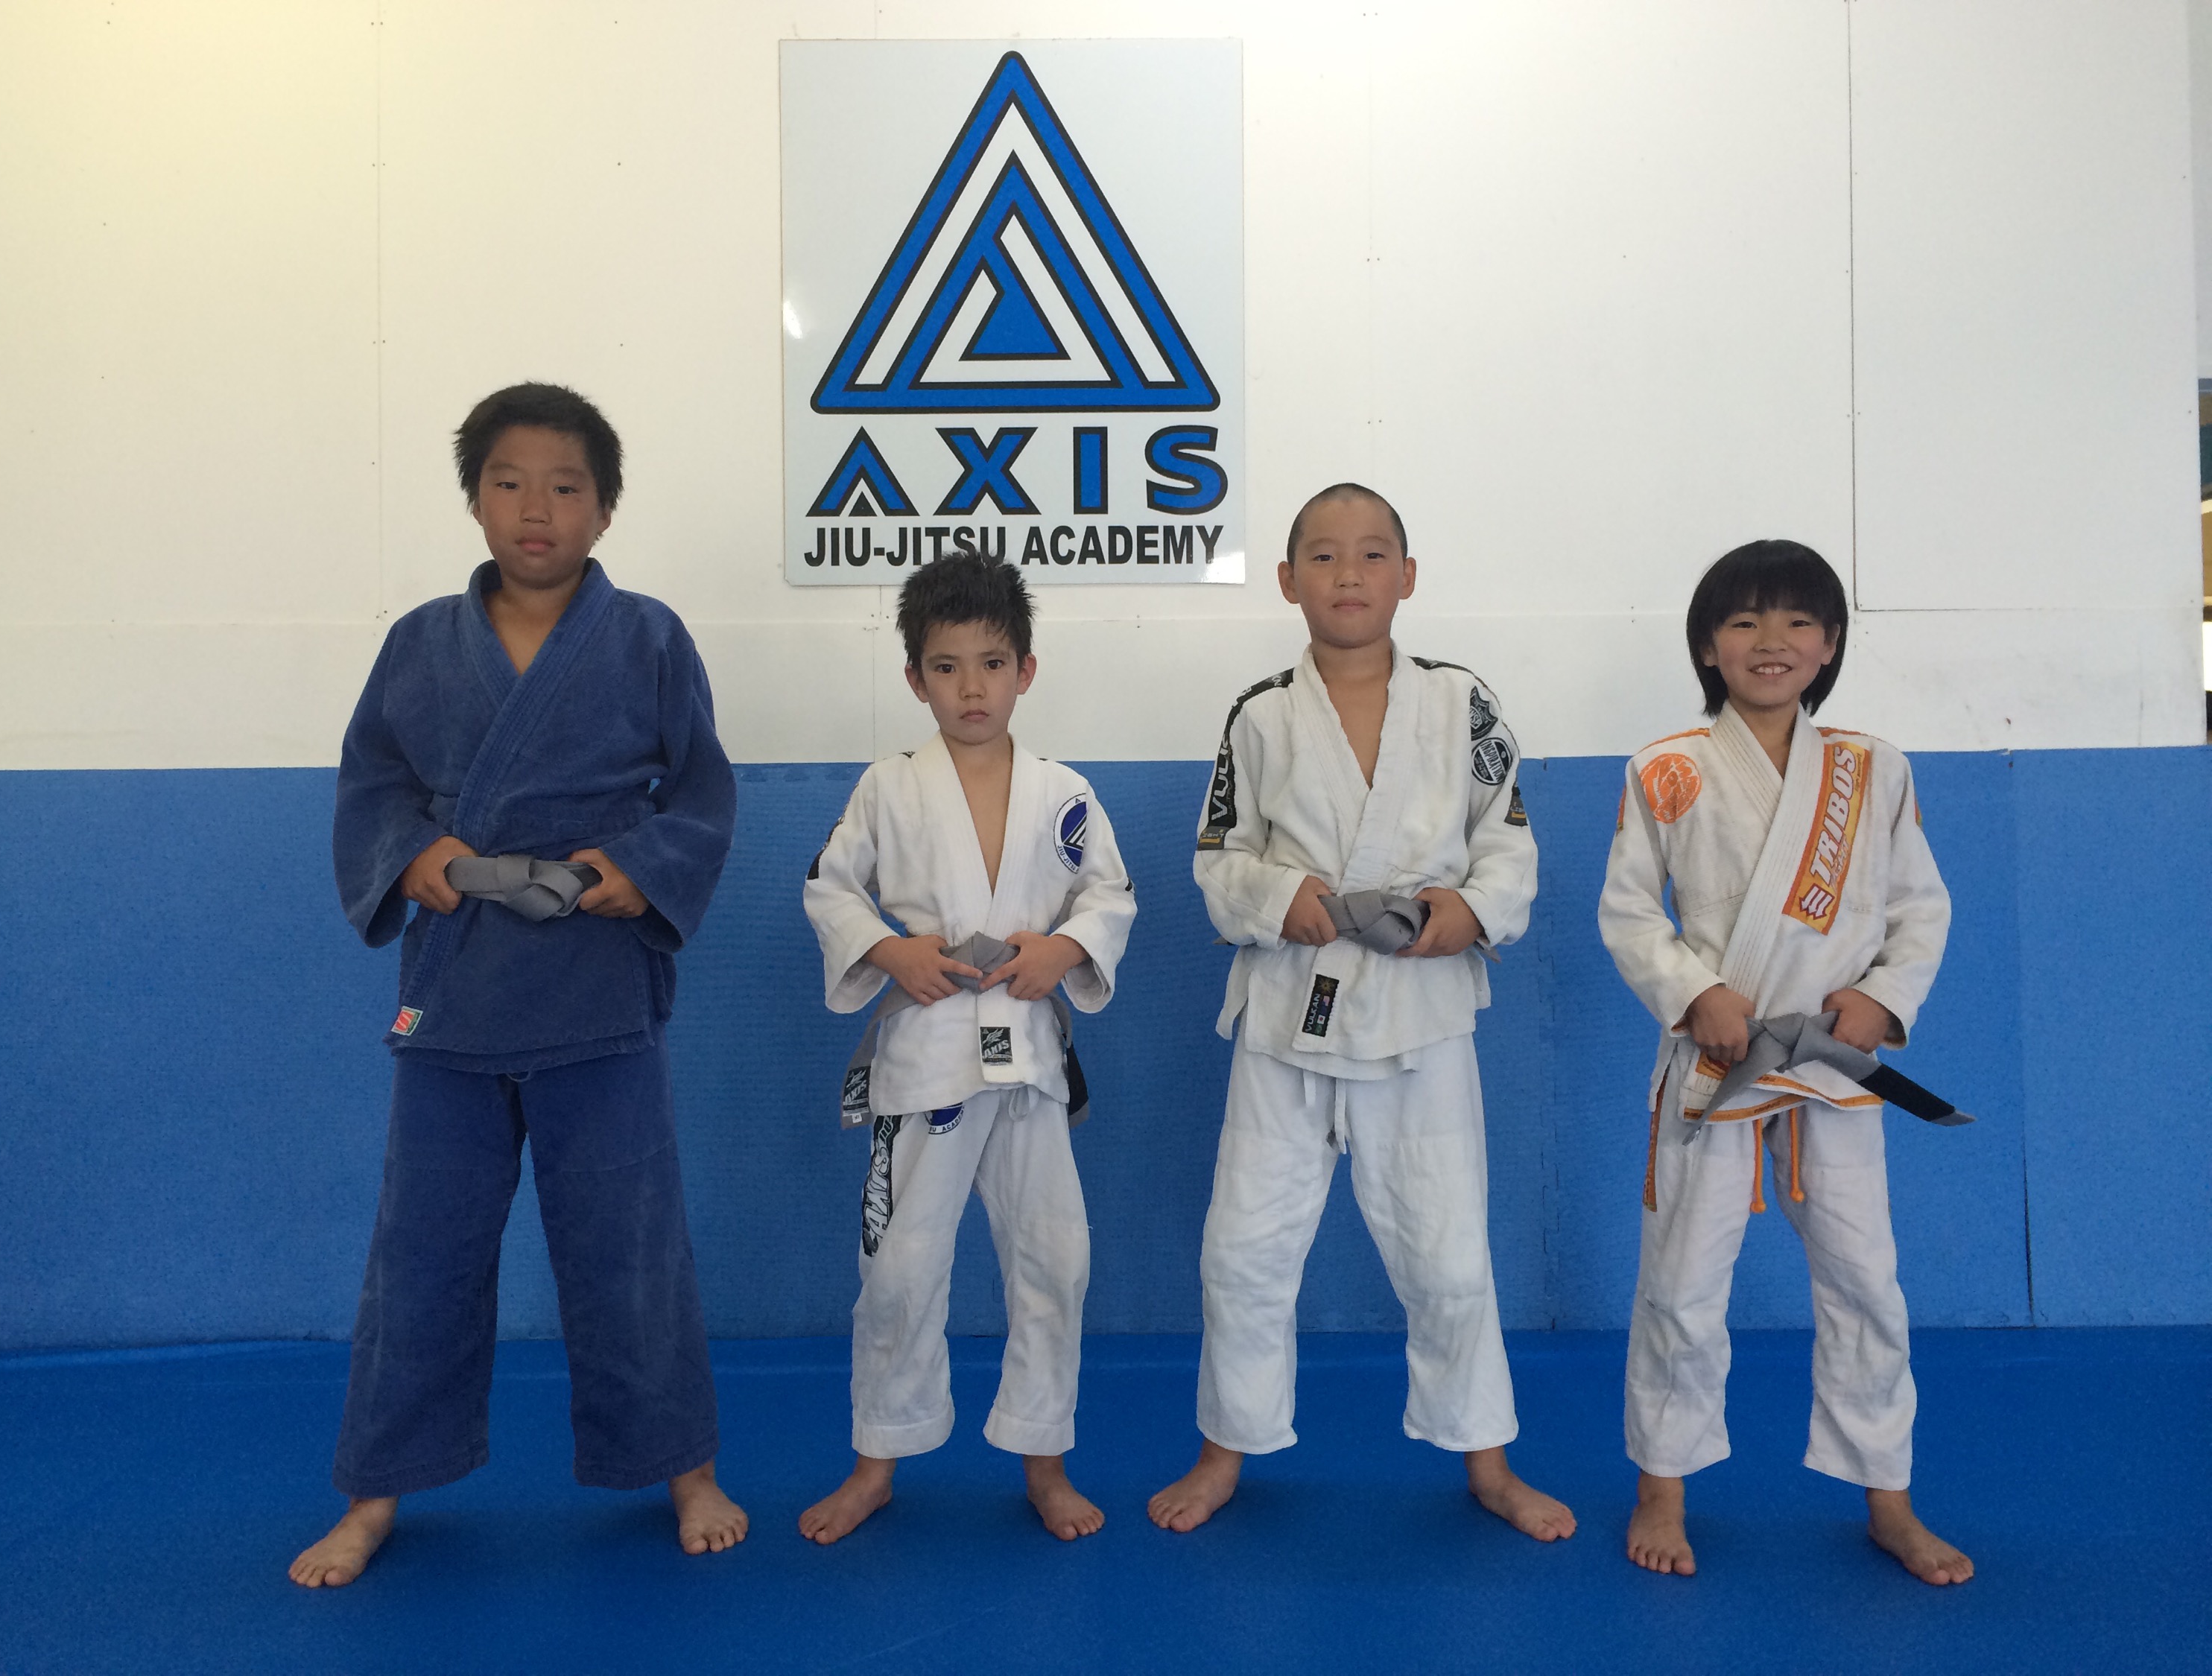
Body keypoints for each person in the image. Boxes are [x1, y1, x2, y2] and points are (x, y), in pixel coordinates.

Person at [291, 383, 743, 1588]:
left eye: (565, 486)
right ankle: (373, 1490)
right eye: (509, 482)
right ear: (475, 498)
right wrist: (415, 855)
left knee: (629, 1246)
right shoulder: (418, 643)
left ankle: (686, 1467)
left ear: (605, 509)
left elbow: (702, 795)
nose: (536, 507)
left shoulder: (649, 638)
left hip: (596, 984)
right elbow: (372, 786)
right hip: (456, 989)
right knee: (420, 1251)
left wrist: (637, 868)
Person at [1147, 483, 1575, 1543]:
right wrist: (1274, 900)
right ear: (1288, 580)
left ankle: (1487, 1460)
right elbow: (1219, 858)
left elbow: (1509, 844)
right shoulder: (1259, 713)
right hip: (1286, 1015)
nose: (1350, 574)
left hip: (1420, 1016)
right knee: (1242, 1249)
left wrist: (1467, 911)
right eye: (1325, 556)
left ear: (1408, 576)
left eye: (1374, 553)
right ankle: (1224, 1449)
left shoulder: (1463, 702)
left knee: (1450, 1256)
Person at [1598, 539, 1973, 1585]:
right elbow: (1629, 911)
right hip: (1714, 1059)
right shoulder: (1666, 766)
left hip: (1833, 1067)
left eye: (1799, 621)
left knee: (1865, 1281)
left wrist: (1883, 999)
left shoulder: (1872, 767)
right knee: (1682, 1280)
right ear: (1707, 647)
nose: (1773, 641)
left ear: (1831, 644)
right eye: (1746, 621)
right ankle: (1662, 1485)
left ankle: (1888, 1496)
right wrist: (1694, 992)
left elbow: (1921, 907)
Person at [799, 553, 1136, 1543]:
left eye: (992, 664)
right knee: (901, 1268)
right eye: (946, 667)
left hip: (1026, 1057)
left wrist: (1065, 948)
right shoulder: (887, 788)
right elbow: (831, 888)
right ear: (915, 679)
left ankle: (1044, 1460)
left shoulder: (1064, 792)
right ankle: (877, 1460)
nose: (972, 687)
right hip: (929, 1057)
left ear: (1026, 669)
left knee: (1055, 1260)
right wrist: (889, 950)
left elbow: (1110, 895)